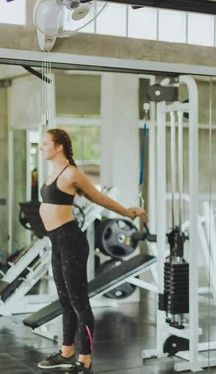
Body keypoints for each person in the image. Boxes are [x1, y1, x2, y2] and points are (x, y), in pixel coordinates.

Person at [36, 128, 147, 374]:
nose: (41, 147)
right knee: (65, 300)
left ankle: (84, 361)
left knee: (78, 301)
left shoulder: (71, 173)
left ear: (59, 147)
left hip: (71, 241)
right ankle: (66, 352)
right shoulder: (53, 174)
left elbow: (99, 198)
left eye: (45, 143)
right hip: (56, 242)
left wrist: (129, 213)